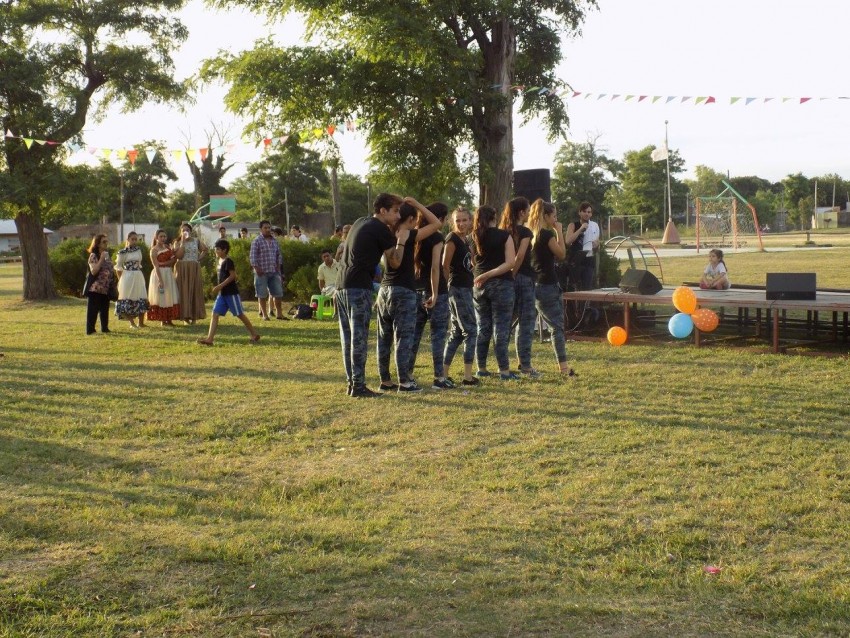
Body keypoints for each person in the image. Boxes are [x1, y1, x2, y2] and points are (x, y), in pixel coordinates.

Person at [336, 193, 406, 398]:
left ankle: (352, 384)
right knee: (358, 339)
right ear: (382, 211)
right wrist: (401, 241)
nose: (398, 215)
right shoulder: (381, 229)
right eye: (395, 211)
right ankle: (358, 386)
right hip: (359, 287)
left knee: (347, 338)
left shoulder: (360, 222)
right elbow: (395, 262)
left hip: (341, 285)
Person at [376, 198, 442, 393]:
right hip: (403, 291)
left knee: (384, 337)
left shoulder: (389, 233)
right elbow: (437, 224)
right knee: (403, 337)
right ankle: (405, 382)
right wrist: (419, 204)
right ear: (412, 218)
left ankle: (385, 380)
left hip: (384, 290)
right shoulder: (409, 234)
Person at [528, 199, 576, 376]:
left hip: (533, 284)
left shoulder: (530, 234)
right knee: (556, 328)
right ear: (546, 216)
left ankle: (523, 364)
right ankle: (563, 368)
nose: (556, 219)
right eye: (554, 216)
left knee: (524, 326)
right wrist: (559, 231)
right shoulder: (546, 235)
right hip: (548, 285)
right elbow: (562, 254)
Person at [409, 202, 453, 390]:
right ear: (441, 219)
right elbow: (436, 266)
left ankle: (407, 374)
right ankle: (439, 378)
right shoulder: (436, 237)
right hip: (435, 292)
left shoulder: (414, 234)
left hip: (414, 290)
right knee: (438, 336)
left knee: (413, 336)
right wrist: (435, 293)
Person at [471, 205, 517, 380]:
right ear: (494, 217)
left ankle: (481, 368)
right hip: (501, 284)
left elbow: (472, 262)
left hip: (478, 285)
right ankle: (504, 370)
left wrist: (481, 275)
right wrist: (490, 273)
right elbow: (510, 263)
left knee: (483, 328)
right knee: (501, 328)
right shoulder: (505, 236)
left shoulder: (473, 236)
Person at [499, 196, 538, 377]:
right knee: (526, 322)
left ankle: (503, 365)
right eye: (528, 210)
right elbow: (520, 256)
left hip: (504, 280)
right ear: (522, 212)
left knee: (505, 324)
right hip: (522, 278)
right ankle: (525, 365)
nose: (530, 213)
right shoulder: (525, 232)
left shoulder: (502, 230)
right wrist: (512, 275)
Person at [441, 206, 479, 386]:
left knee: (456, 333)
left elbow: (472, 262)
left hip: (465, 287)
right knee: (471, 331)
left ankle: (444, 373)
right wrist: (449, 287)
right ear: (453, 223)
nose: (461, 224)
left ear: (470, 221)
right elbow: (444, 265)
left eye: (464, 220)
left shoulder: (465, 240)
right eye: (458, 221)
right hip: (458, 289)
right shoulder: (452, 239)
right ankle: (467, 376)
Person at [197, 239, 260, 345]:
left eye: (218, 249)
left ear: (224, 250)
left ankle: (254, 334)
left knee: (239, 314)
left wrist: (219, 286)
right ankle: (210, 339)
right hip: (222, 294)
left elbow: (233, 276)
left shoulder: (228, 261)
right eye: (215, 249)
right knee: (215, 314)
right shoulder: (219, 261)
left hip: (231, 293)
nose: (216, 251)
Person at [250, 220, 284, 321]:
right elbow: (252, 257)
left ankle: (279, 314)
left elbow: (279, 254)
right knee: (262, 293)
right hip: (261, 272)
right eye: (265, 228)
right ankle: (265, 315)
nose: (268, 229)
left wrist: (278, 267)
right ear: (261, 229)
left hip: (274, 272)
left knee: (278, 293)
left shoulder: (274, 240)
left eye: (269, 228)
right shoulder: (256, 241)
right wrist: (257, 269)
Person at [174, 222, 208, 325]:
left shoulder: (196, 241)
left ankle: (194, 317)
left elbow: (205, 250)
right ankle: (185, 316)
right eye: (183, 230)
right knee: (183, 291)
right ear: (180, 232)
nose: (185, 232)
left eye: (187, 230)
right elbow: (179, 256)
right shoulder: (177, 242)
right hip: (182, 268)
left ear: (190, 231)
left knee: (194, 290)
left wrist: (198, 259)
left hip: (193, 267)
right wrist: (182, 243)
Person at [114, 231, 149, 329]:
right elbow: (118, 267)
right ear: (128, 240)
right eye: (132, 239)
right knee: (128, 298)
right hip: (127, 276)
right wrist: (120, 280)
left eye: (135, 239)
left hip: (138, 275)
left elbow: (139, 262)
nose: (134, 241)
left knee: (141, 296)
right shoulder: (122, 252)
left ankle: (141, 323)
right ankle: (132, 323)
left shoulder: (138, 250)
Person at [85, 234, 115, 335]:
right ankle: (90, 330)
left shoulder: (107, 255)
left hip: (105, 287)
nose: (106, 243)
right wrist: (101, 259)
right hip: (95, 288)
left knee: (104, 309)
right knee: (93, 310)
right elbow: (94, 271)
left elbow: (110, 269)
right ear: (97, 244)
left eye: (107, 241)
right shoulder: (94, 255)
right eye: (104, 242)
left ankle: (105, 328)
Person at [565, 201, 599, 291]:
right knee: (572, 288)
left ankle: (584, 305)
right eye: (584, 211)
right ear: (579, 212)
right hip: (575, 262)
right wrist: (580, 229)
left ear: (591, 214)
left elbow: (596, 247)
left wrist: (596, 245)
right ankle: (571, 305)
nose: (586, 214)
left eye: (589, 212)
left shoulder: (594, 226)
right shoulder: (573, 225)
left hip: (589, 262)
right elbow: (568, 241)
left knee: (586, 290)